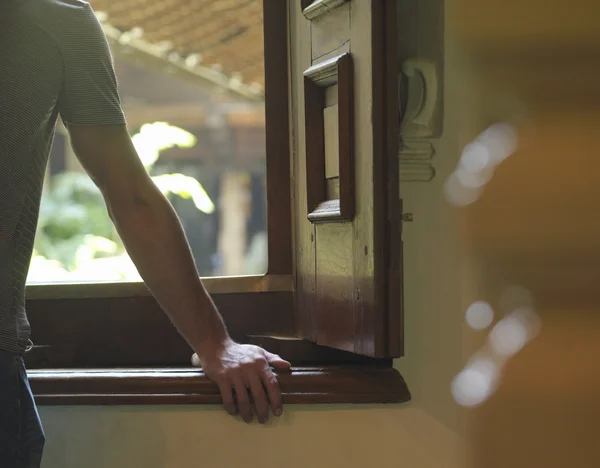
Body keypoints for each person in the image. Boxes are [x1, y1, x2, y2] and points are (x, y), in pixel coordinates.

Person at [0, 0, 290, 466]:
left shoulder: (57, 19)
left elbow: (131, 195)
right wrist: (215, 345)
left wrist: (215, 344)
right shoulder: (58, 19)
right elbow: (129, 193)